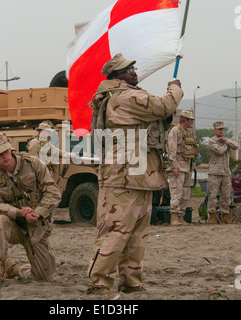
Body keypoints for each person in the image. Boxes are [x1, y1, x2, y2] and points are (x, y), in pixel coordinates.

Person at [87, 53, 183, 295]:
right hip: (123, 176)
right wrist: (174, 89)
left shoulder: (123, 95)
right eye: (127, 69)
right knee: (116, 231)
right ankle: (99, 283)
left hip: (140, 174)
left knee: (137, 235)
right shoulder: (125, 96)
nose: (134, 72)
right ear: (116, 76)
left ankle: (131, 282)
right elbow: (163, 106)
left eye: (132, 67)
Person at [0, 133, 62, 289]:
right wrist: (19, 212)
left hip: (36, 226)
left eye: (6, 151)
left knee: (45, 277)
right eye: (0, 154)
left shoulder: (33, 164)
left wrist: (38, 212)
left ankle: (14, 269)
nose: (5, 156)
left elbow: (53, 193)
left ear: (11, 149)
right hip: (13, 225)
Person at [166, 110, 199, 226]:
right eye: (191, 120)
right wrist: (174, 165)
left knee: (185, 194)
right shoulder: (175, 131)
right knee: (177, 192)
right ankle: (174, 216)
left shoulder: (187, 133)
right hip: (178, 167)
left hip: (187, 167)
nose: (192, 122)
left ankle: (181, 216)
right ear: (185, 119)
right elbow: (171, 148)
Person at [206, 121, 239, 224]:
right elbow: (219, 151)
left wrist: (226, 141)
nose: (221, 131)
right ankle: (212, 216)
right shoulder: (212, 141)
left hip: (225, 172)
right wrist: (227, 144)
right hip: (215, 172)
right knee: (213, 195)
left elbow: (236, 146)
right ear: (214, 130)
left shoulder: (225, 140)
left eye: (222, 129)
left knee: (226, 195)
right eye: (219, 129)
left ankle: (225, 215)